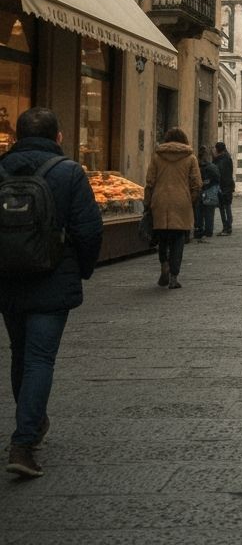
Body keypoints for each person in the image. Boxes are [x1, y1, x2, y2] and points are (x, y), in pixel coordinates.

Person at [0, 107, 103, 478]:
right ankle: (24, 441)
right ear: (58, 136)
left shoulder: (1, 168)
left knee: (21, 355)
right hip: (52, 278)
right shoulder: (68, 172)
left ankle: (33, 422)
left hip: (8, 279)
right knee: (40, 359)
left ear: (15, 136)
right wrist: (83, 270)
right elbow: (90, 231)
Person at [144, 127, 201, 289]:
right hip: (182, 203)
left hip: (160, 202)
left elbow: (150, 183)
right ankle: (174, 277)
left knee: (162, 237)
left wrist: (147, 203)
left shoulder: (157, 157)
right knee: (178, 240)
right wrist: (191, 200)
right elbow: (196, 184)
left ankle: (164, 266)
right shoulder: (190, 158)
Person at [195, 146, 220, 242]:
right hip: (209, 192)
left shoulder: (196, 166)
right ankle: (208, 231)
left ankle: (200, 230)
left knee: (199, 213)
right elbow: (217, 179)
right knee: (208, 213)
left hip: (200, 192)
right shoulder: (212, 167)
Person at [212, 141, 235, 235]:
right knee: (226, 206)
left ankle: (227, 228)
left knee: (224, 207)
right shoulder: (226, 157)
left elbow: (218, 171)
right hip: (227, 185)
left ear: (218, 150)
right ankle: (227, 227)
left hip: (224, 186)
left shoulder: (222, 159)